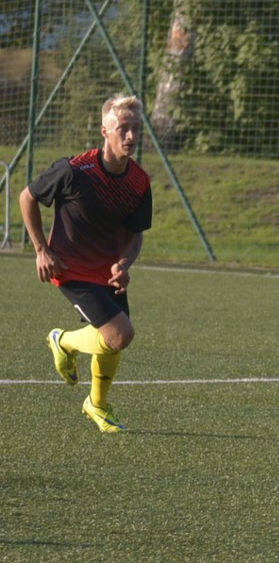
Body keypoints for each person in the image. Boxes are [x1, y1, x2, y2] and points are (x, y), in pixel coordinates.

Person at [19, 93, 152, 433]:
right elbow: (28, 197)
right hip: (70, 269)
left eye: (136, 128)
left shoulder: (139, 181)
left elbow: (134, 233)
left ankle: (96, 404)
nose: (131, 136)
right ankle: (61, 341)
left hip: (107, 272)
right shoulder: (75, 170)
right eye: (123, 128)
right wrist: (41, 250)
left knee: (111, 340)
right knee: (120, 334)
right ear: (104, 131)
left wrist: (124, 263)